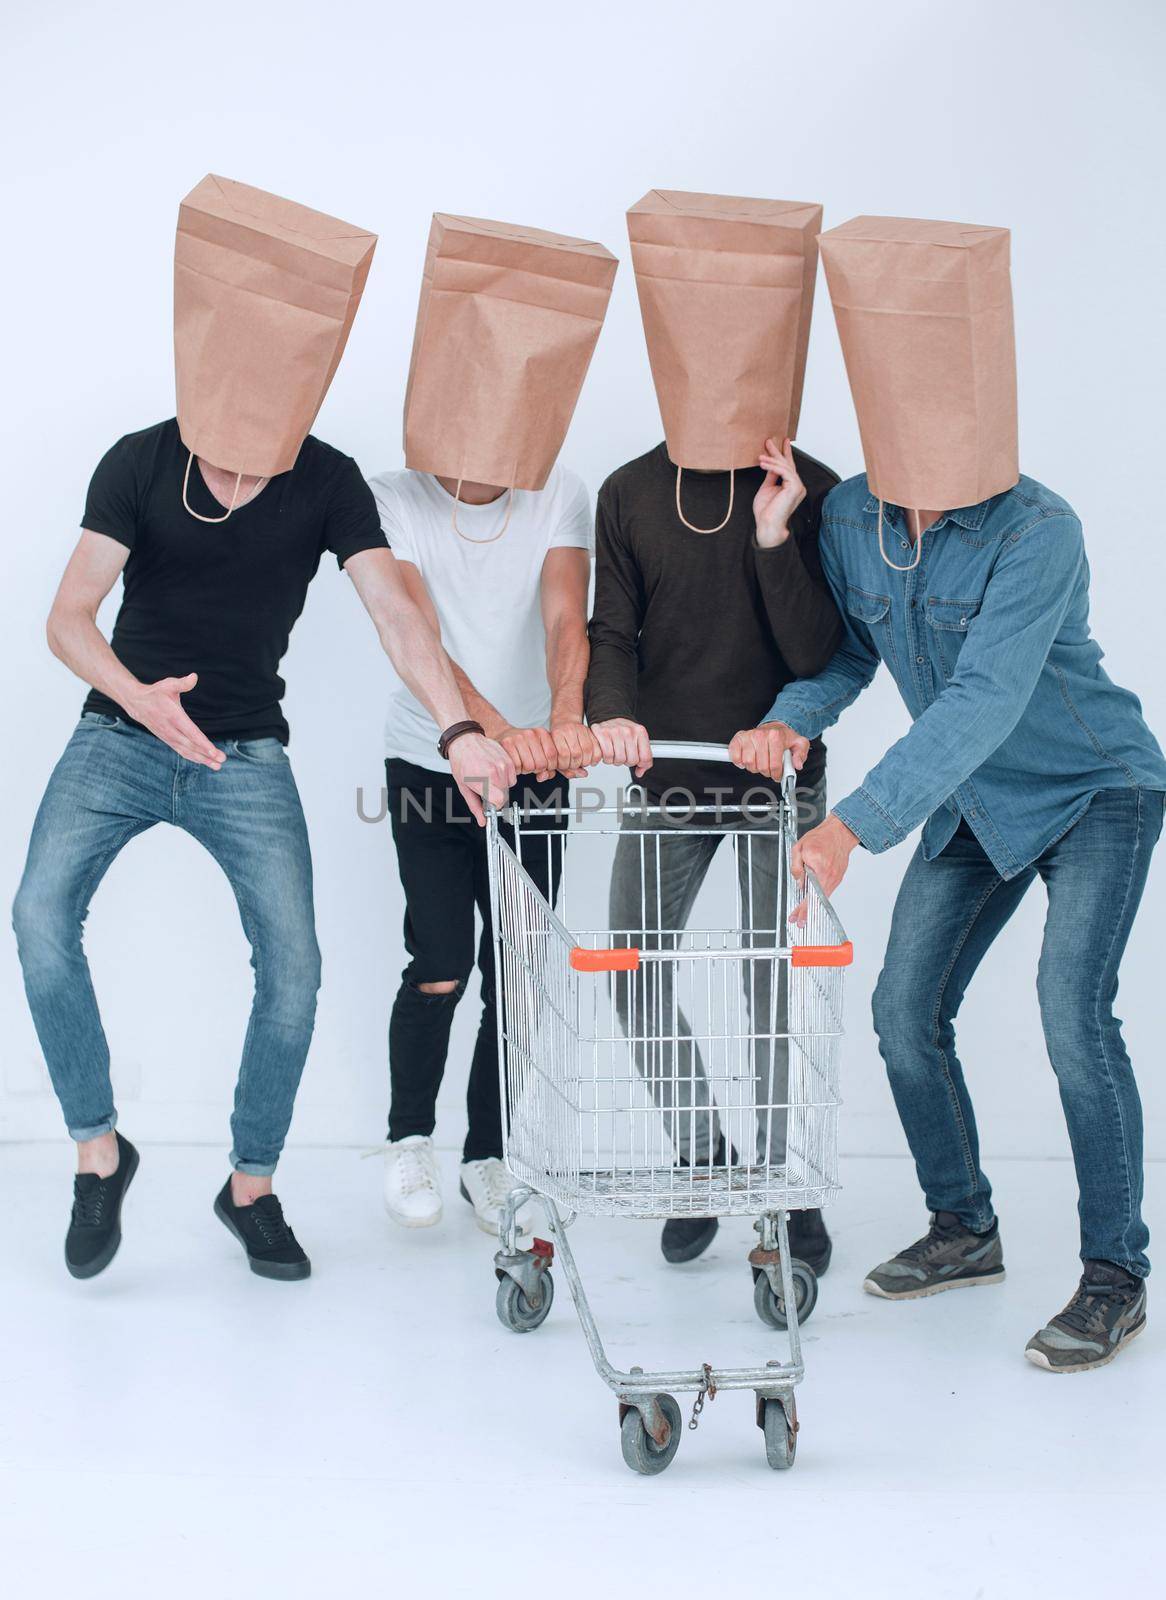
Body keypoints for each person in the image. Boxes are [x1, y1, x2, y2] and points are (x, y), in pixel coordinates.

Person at [13, 433, 511, 1285]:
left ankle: (250, 1189)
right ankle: (99, 1154)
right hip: (118, 735)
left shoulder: (326, 478)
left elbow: (396, 612)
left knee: (294, 967)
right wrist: (139, 698)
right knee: (38, 914)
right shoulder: (142, 459)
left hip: (243, 755)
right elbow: (68, 616)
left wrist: (459, 728)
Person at [734, 471, 1166, 1371]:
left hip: (1097, 789)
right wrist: (790, 719)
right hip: (973, 795)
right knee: (903, 1013)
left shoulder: (1040, 526)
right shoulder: (852, 515)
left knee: (1072, 1016)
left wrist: (854, 821)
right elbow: (852, 654)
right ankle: (964, 1227)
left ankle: (1115, 1275)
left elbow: (984, 697)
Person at [586, 435, 843, 1266]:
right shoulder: (629, 488)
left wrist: (774, 535)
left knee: (775, 984)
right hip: (670, 776)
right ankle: (704, 1155)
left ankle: (784, 1184)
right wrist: (612, 713)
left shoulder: (813, 487)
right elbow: (613, 628)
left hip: (780, 777)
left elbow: (818, 657)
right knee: (633, 968)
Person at [368, 462, 598, 1234]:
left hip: (535, 767)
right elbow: (417, 629)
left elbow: (568, 618)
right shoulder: (394, 497)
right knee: (440, 964)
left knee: (517, 971)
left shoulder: (559, 491)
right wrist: (494, 734)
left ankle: (486, 1158)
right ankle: (408, 1141)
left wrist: (565, 720)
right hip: (431, 759)